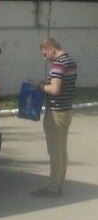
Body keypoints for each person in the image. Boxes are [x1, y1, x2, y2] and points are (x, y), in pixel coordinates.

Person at [30, 37, 77, 198]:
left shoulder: (58, 65)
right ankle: (58, 184)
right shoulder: (70, 62)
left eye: (45, 54)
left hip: (56, 113)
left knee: (54, 152)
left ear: (51, 49)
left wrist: (39, 86)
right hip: (67, 110)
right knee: (62, 150)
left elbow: (55, 90)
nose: (45, 58)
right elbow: (62, 85)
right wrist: (47, 83)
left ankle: (52, 189)